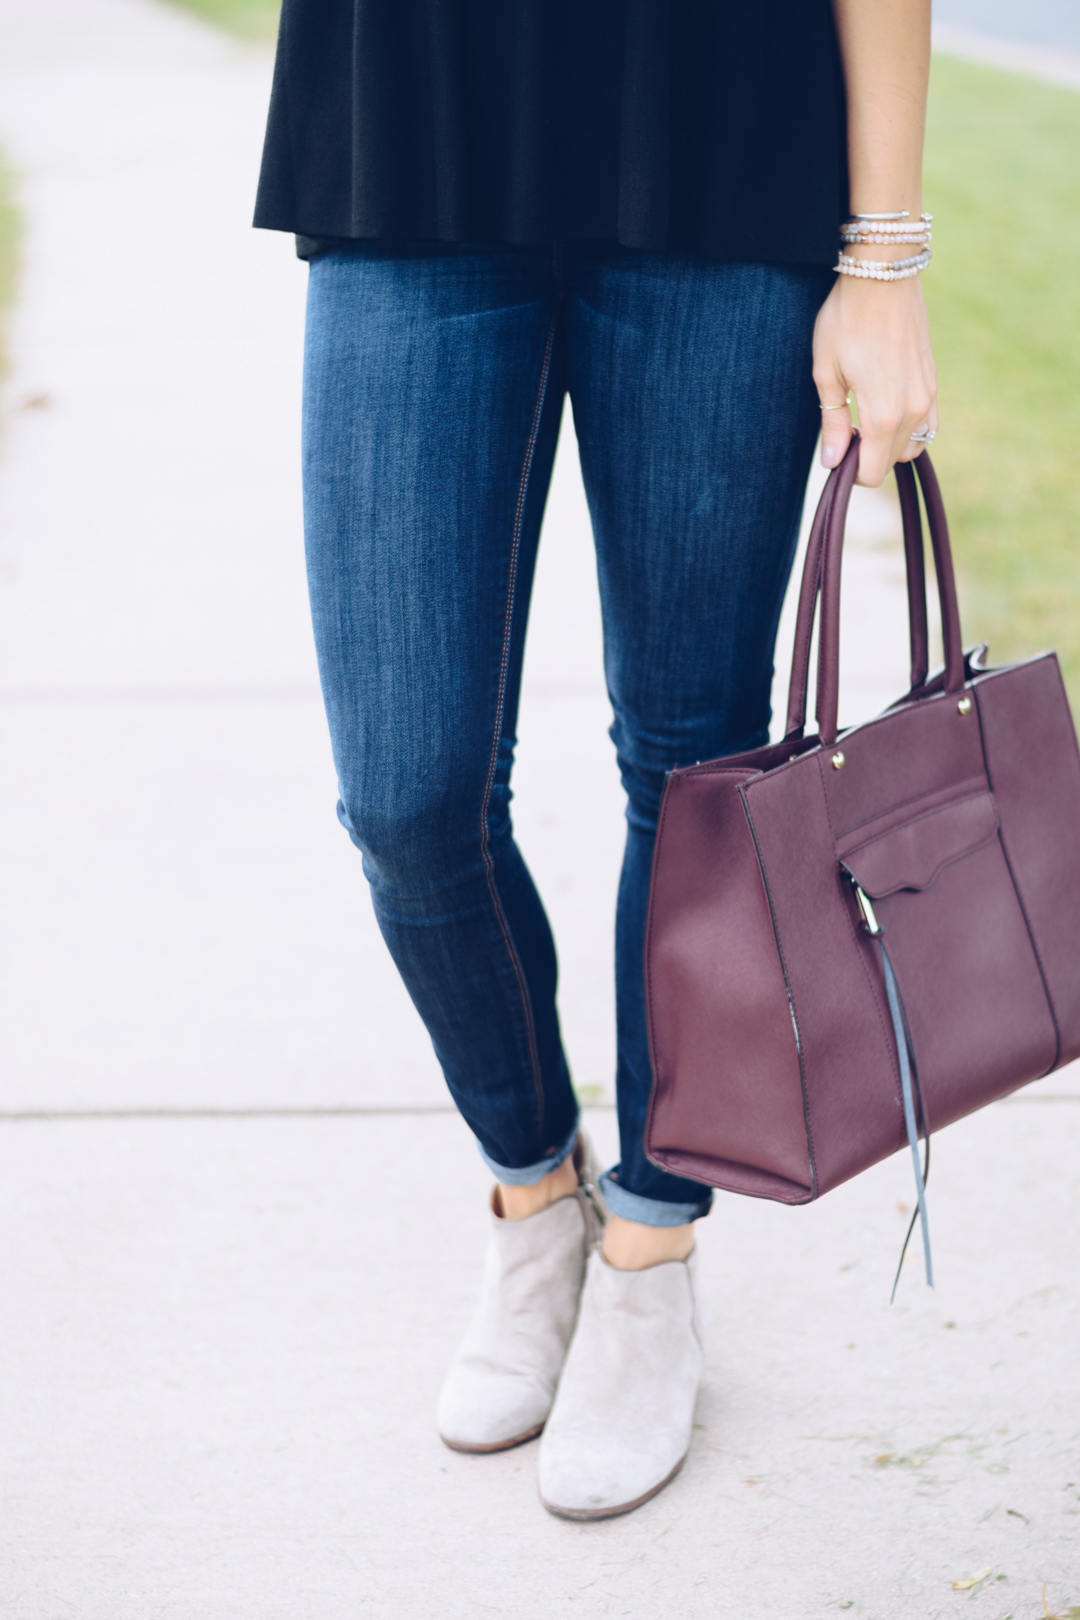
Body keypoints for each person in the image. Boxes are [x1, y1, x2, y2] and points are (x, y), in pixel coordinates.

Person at [254, 0, 938, 1520]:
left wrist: (883, 256)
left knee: (695, 776)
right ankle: (532, 1191)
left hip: (718, 134)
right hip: (408, 133)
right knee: (406, 796)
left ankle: (650, 1244)